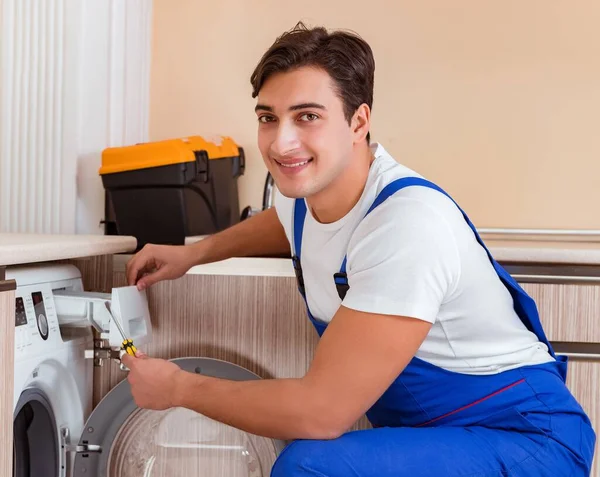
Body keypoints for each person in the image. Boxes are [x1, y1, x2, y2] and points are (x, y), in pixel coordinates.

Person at [122, 22, 595, 476]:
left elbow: (320, 413)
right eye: (268, 118)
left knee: (309, 465)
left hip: (526, 441)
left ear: (358, 121)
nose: (282, 141)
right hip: (438, 435)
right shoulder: (304, 199)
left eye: (307, 116)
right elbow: (280, 224)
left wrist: (178, 388)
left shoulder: (407, 224)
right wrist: (194, 253)